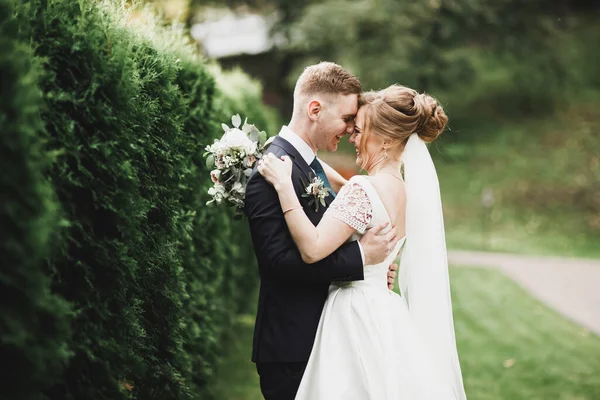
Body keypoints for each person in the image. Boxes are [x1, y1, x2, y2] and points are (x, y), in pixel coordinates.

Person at [258, 84, 467, 399]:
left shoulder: (362, 189)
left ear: (384, 139)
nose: (351, 136)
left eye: (359, 131)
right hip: (384, 311)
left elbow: (313, 248)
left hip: (351, 313)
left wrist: (285, 186)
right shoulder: (406, 194)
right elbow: (357, 204)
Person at [244, 62, 401, 400]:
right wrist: (359, 260)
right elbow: (278, 263)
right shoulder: (271, 172)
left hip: (333, 338)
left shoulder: (310, 165)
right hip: (293, 347)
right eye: (346, 119)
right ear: (314, 109)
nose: (349, 130)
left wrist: (372, 267)